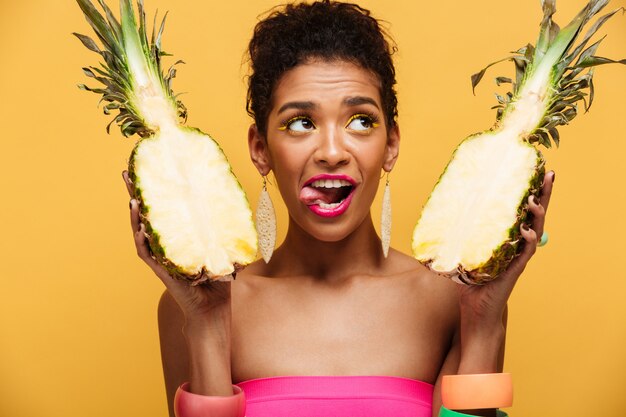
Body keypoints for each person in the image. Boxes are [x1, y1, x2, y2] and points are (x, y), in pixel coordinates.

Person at [122, 1, 554, 416]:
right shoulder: (195, 304)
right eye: (300, 123)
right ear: (260, 150)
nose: (331, 152)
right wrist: (207, 326)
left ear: (391, 145)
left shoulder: (453, 300)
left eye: (361, 121)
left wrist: (482, 324)